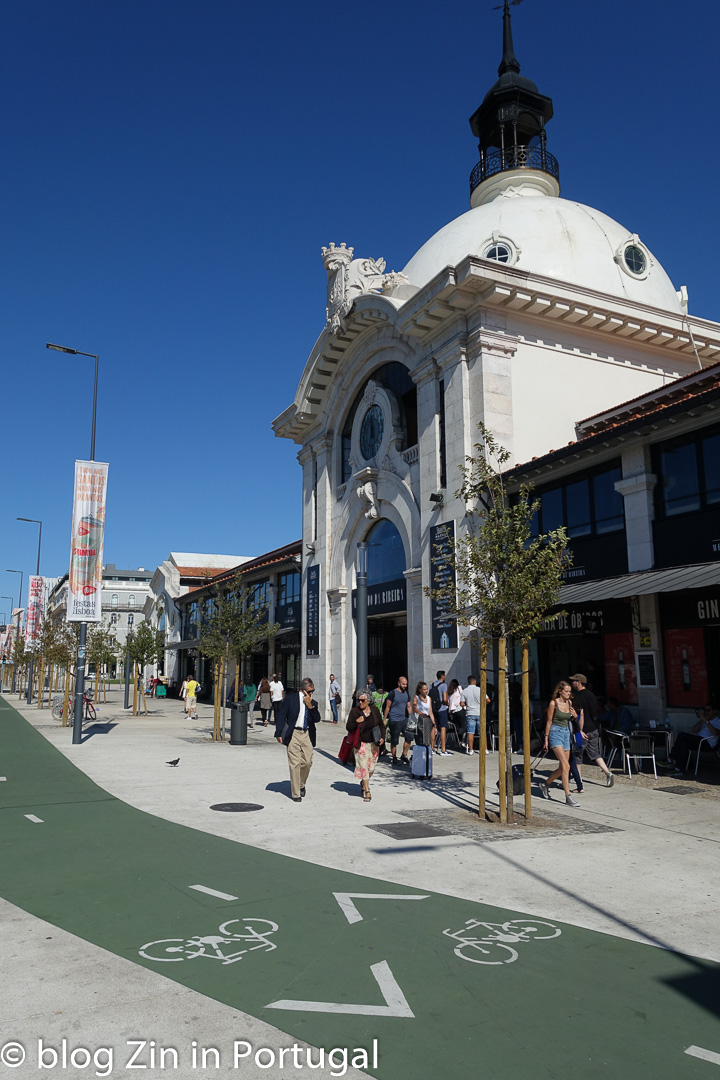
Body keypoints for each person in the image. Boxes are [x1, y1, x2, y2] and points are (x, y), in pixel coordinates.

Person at [274, 678, 320, 802]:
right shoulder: (291, 698)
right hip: (293, 732)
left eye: (313, 691)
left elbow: (317, 719)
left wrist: (310, 706)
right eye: (309, 691)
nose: (311, 693)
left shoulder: (313, 702)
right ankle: (296, 793)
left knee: (307, 762)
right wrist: (278, 733)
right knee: (295, 763)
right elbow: (282, 714)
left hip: (307, 733)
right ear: (302, 690)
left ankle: (301, 784)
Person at [538, 681, 581, 807]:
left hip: (566, 733)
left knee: (563, 767)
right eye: (566, 691)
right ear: (560, 691)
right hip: (555, 733)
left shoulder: (569, 703)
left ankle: (546, 784)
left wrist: (574, 716)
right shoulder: (553, 703)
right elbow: (549, 721)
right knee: (566, 766)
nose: (569, 693)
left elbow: (572, 719)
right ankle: (568, 796)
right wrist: (546, 738)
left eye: (569, 691)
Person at [570, 673, 614, 787]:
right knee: (595, 753)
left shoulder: (578, 696)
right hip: (593, 728)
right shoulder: (591, 695)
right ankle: (608, 773)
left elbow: (581, 714)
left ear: (579, 683)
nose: (572, 683)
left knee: (577, 755)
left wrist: (579, 730)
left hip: (583, 729)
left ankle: (578, 779)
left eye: (574, 681)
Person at [346, 691, 385, 802]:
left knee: (371, 768)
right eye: (359, 700)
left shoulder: (375, 711)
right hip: (361, 744)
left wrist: (382, 737)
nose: (360, 702)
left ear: (368, 701)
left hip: (374, 744)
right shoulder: (355, 711)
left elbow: (382, 726)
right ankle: (367, 790)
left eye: (363, 700)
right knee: (363, 767)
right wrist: (356, 721)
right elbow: (349, 727)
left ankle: (363, 782)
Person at [669, 705, 720, 773]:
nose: (706, 712)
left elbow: (715, 733)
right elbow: (694, 730)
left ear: (715, 711)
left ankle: (671, 757)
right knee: (683, 743)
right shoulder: (705, 720)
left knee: (682, 735)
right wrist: (702, 720)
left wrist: (706, 721)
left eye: (709, 710)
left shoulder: (718, 721)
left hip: (707, 743)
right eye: (705, 711)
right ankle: (679, 768)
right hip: (699, 741)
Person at [384, 676, 412, 766]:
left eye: (406, 684)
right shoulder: (392, 693)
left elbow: (408, 706)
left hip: (404, 719)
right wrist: (384, 719)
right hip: (394, 720)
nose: (405, 686)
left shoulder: (407, 693)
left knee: (409, 737)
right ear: (399, 683)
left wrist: (411, 718)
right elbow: (387, 707)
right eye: (403, 684)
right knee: (394, 741)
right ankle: (394, 758)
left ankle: (404, 755)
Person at [430, 671, 451, 755]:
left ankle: (432, 748)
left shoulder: (432, 685)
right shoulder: (443, 685)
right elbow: (445, 699)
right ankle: (443, 749)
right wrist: (448, 703)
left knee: (433, 728)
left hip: (433, 709)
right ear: (442, 676)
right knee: (443, 728)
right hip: (441, 709)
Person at [412, 682, 436, 751]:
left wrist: (434, 723)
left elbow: (430, 712)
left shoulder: (429, 698)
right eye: (424, 689)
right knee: (419, 739)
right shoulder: (416, 698)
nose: (426, 691)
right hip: (418, 719)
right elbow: (414, 708)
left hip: (427, 720)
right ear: (420, 690)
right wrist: (421, 713)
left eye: (427, 689)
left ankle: (427, 751)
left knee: (426, 740)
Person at [463, 675, 483, 755]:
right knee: (481, 731)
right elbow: (488, 700)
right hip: (479, 712)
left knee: (470, 732)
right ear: (474, 681)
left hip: (470, 713)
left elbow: (461, 703)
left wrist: (466, 705)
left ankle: (471, 749)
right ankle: (484, 749)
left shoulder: (465, 690)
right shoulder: (479, 689)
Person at [447, 679, 466, 751]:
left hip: (453, 711)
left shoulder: (450, 691)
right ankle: (462, 740)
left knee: (456, 727)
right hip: (459, 709)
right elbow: (463, 696)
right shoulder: (459, 688)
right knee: (463, 726)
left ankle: (457, 742)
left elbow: (448, 702)